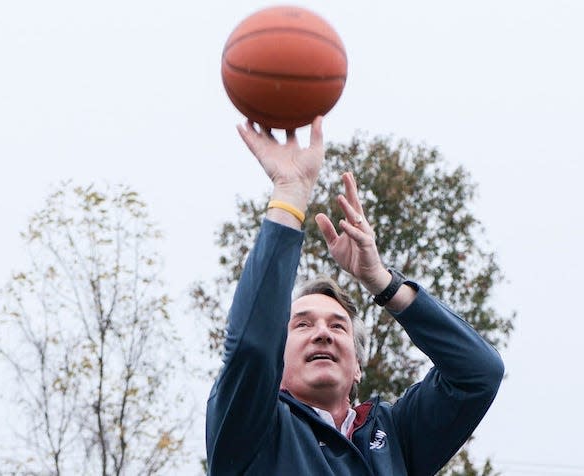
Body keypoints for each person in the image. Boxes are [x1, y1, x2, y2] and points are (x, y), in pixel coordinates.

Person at [205, 117, 505, 475]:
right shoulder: (254, 427)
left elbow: (479, 373)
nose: (323, 332)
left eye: (338, 326)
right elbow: (252, 347)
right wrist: (289, 194)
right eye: (301, 324)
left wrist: (382, 281)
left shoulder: (396, 436)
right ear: (276, 367)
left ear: (358, 367)